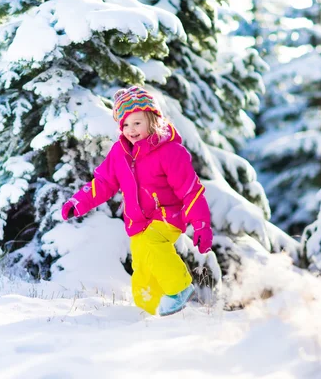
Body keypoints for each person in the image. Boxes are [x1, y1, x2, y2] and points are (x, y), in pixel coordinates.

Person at [61, 86, 213, 316]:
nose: (130, 130)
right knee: (142, 267)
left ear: (152, 119)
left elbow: (190, 190)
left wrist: (201, 224)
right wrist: (78, 202)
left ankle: (179, 288)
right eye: (125, 124)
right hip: (137, 222)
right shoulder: (119, 154)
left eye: (137, 123)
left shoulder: (170, 151)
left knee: (153, 244)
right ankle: (152, 311)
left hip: (166, 215)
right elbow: (103, 183)